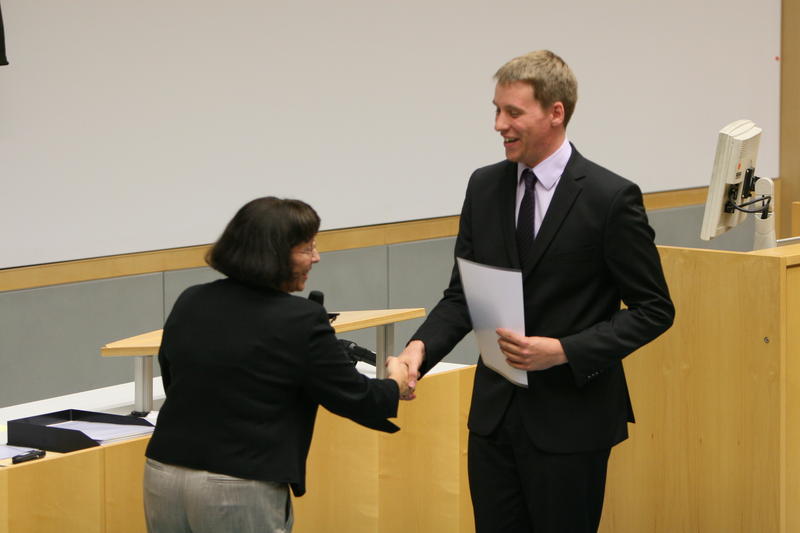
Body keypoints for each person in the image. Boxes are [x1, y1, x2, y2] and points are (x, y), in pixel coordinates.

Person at [397, 50, 675, 532]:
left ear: (555, 112)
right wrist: (418, 350)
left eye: (513, 112)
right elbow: (463, 294)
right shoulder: (483, 186)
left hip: (572, 423)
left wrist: (564, 351)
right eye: (496, 110)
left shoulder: (610, 198)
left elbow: (654, 309)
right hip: (494, 420)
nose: (499, 125)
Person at [143, 196, 409, 533]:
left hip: (163, 475)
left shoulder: (191, 299)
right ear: (272, 255)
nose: (316, 257)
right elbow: (354, 396)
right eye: (307, 248)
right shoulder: (301, 319)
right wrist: (396, 383)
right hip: (239, 486)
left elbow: (173, 379)